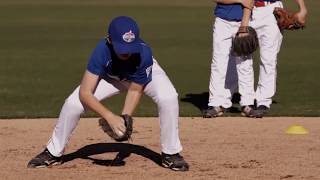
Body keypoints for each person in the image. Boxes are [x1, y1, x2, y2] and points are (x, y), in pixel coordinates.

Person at [27, 16, 189, 171]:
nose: (126, 53)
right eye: (122, 48)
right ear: (110, 40)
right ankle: (53, 153)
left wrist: (125, 118)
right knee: (73, 103)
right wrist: (110, 116)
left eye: (130, 48)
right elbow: (85, 92)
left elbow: (134, 89)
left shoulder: (144, 53)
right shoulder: (101, 51)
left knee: (168, 97)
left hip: (139, 77)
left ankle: (171, 153)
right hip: (111, 78)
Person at [247, 0, 307, 118]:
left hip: (271, 11)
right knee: (241, 57)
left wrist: (303, 8)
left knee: (268, 59)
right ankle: (243, 99)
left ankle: (263, 101)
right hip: (247, 11)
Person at [203, 0, 257, 118]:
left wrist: (244, 26)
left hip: (243, 21)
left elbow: (250, 2)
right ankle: (215, 103)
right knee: (218, 63)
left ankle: (247, 103)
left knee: (245, 64)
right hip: (222, 21)